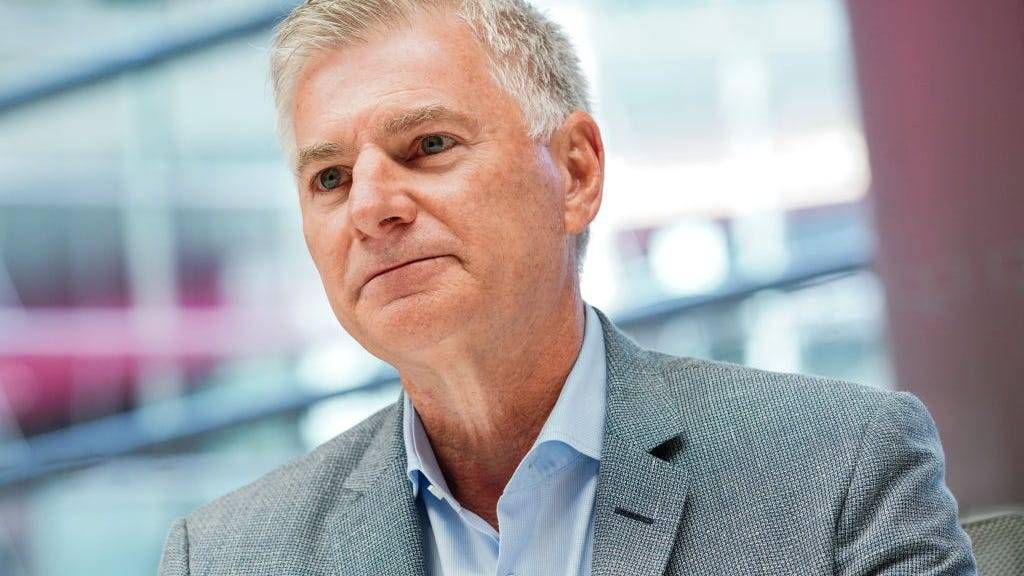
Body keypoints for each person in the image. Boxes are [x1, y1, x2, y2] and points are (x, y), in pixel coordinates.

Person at [159, 0, 976, 574]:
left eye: (429, 145)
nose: (370, 207)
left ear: (576, 173)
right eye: (330, 178)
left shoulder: (839, 470)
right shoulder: (226, 558)